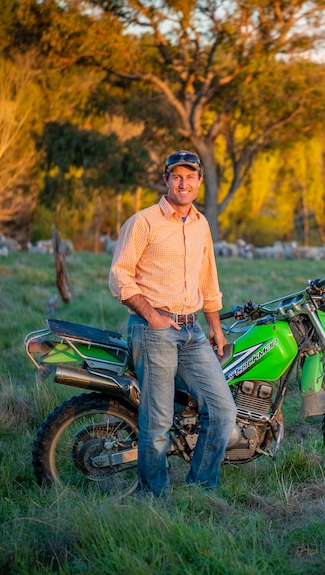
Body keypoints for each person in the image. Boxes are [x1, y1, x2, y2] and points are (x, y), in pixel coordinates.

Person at [109, 149, 236, 497]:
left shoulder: (201, 224)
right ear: (166, 180)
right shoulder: (144, 222)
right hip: (153, 330)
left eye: (190, 177)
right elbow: (119, 276)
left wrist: (216, 327)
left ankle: (200, 490)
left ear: (198, 182)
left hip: (192, 330)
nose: (184, 183)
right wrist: (152, 315)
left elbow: (209, 280)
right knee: (159, 421)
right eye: (177, 176)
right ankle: (154, 497)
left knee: (223, 410)